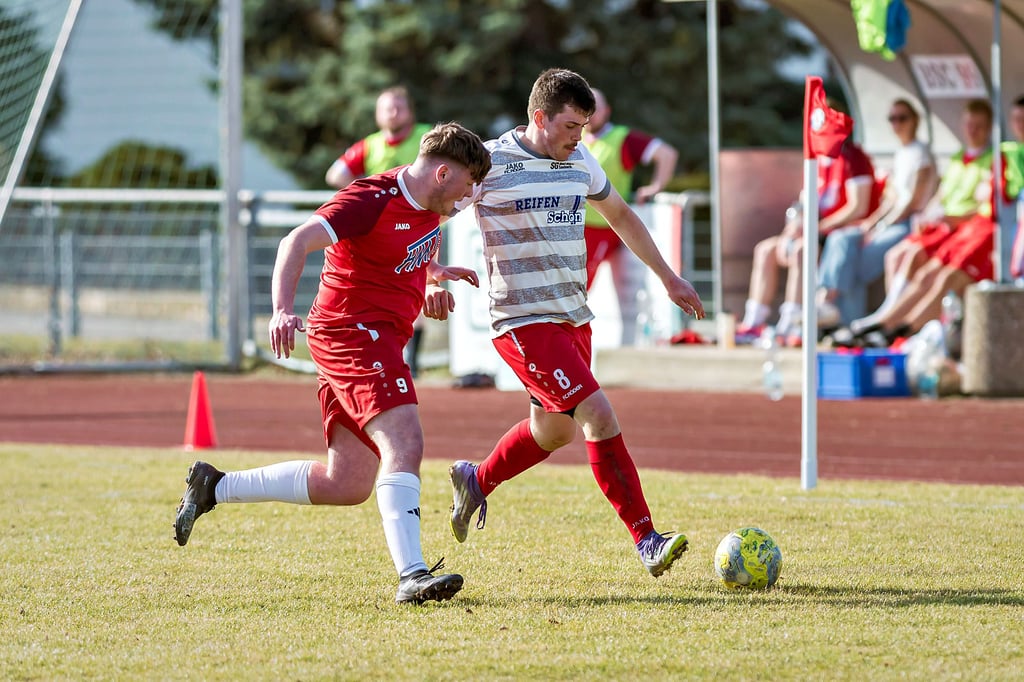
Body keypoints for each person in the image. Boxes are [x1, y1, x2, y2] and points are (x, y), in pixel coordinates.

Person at [174, 122, 492, 605]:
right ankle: (413, 573)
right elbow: (294, 242)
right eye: (466, 188)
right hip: (351, 336)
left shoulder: (430, 203)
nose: (466, 200)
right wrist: (281, 310)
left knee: (347, 482)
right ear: (443, 173)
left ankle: (214, 487)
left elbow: (400, 251)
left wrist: (431, 278)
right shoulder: (368, 199)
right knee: (404, 440)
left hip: (378, 337)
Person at [445, 68, 705, 580]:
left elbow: (623, 215)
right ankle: (647, 539)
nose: (579, 137)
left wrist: (669, 277)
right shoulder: (491, 162)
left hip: (572, 316)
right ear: (539, 117)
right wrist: (431, 275)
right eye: (570, 126)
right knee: (599, 415)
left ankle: (476, 479)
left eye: (584, 126)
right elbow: (433, 212)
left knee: (553, 430)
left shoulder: (579, 158)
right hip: (522, 321)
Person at [836, 98, 996, 343]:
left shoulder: (993, 159)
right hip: (943, 227)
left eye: (902, 118)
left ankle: (893, 329)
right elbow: (935, 197)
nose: (972, 131)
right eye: (969, 125)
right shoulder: (956, 159)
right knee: (900, 260)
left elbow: (983, 207)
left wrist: (882, 223)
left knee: (931, 272)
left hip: (965, 230)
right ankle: (885, 321)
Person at [735, 111, 878, 346]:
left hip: (834, 234)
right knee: (765, 250)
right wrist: (791, 229)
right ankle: (754, 322)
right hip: (813, 229)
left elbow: (858, 207)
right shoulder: (817, 159)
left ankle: (791, 322)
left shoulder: (854, 158)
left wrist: (818, 228)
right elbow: (803, 203)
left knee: (803, 251)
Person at [324, 86, 436, 377]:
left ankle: (412, 361)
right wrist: (365, 192)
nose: (393, 112)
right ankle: (379, 356)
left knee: (416, 288)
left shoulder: (426, 136)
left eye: (399, 106)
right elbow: (335, 174)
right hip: (381, 232)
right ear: (377, 115)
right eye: (387, 107)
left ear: (410, 111)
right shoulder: (371, 145)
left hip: (419, 227)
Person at [815, 99, 938, 329]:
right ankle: (833, 307)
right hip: (891, 222)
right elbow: (891, 200)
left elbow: (910, 202)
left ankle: (838, 313)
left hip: (908, 224)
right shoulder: (902, 153)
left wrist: (880, 225)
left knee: (854, 262)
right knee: (841, 240)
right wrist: (872, 223)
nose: (897, 124)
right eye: (893, 119)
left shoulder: (920, 154)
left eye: (903, 118)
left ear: (915, 121)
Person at [582, 87, 679, 345]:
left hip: (609, 227)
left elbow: (666, 154)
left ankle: (628, 347)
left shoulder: (621, 138)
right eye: (585, 109)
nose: (590, 115)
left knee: (620, 294)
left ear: (607, 111)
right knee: (582, 292)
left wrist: (657, 186)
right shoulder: (574, 136)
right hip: (583, 228)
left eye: (595, 108)